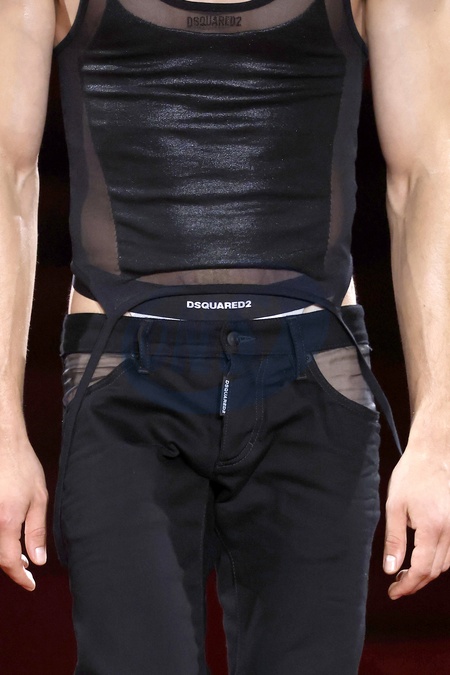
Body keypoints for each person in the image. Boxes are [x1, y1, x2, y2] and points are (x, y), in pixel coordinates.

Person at [0, 0, 449, 672]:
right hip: (124, 373)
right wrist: (3, 430)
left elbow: (428, 174)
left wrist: (439, 436)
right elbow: (8, 174)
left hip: (314, 370)